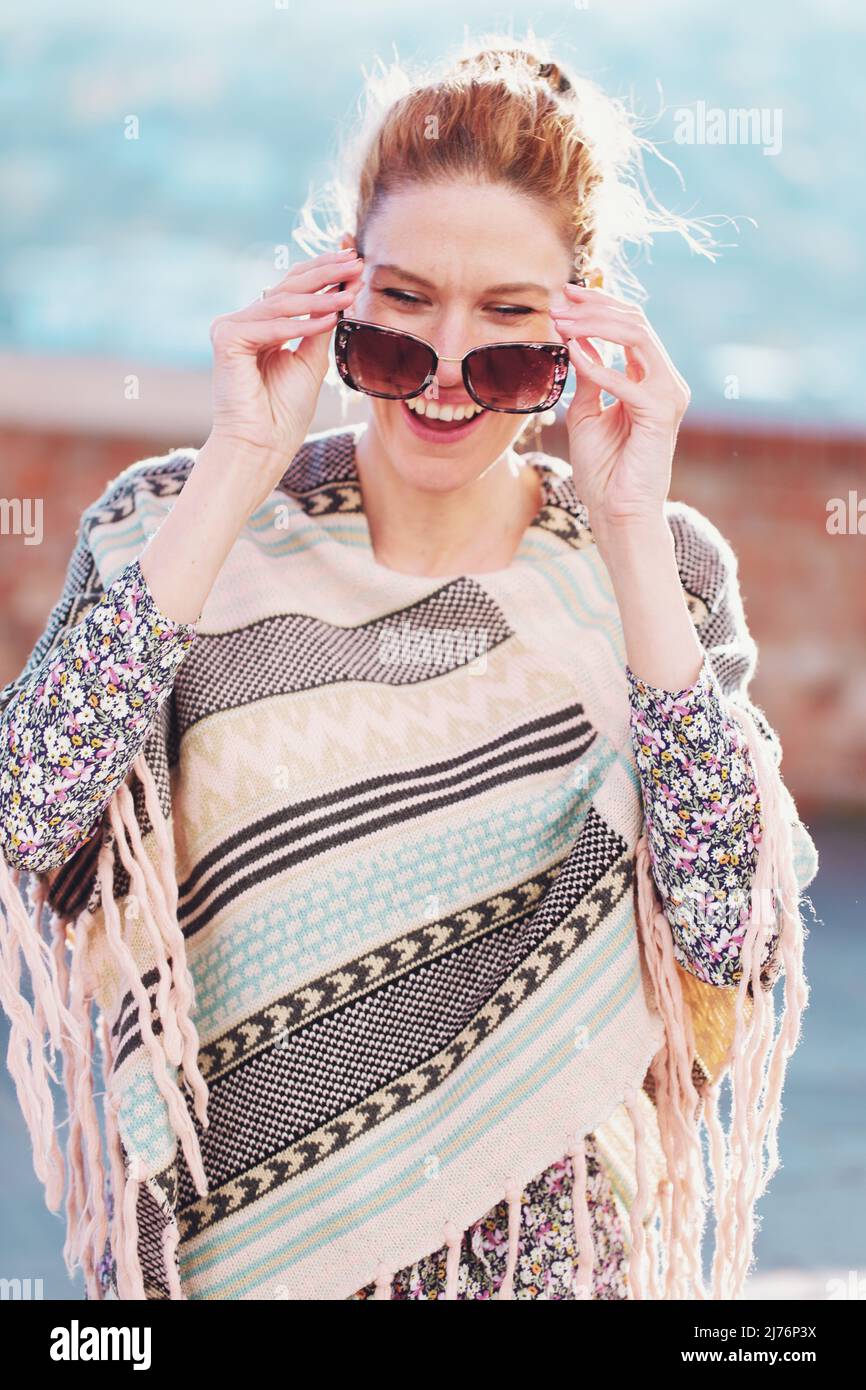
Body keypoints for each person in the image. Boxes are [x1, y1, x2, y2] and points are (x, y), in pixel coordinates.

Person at [0, 38, 817, 1301]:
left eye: (506, 328)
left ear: (579, 330)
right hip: (236, 1263)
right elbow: (24, 806)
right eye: (402, 311)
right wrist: (237, 456)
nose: (443, 370)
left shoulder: (655, 573)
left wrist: (629, 521)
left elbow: (728, 926)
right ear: (341, 296)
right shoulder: (181, 524)